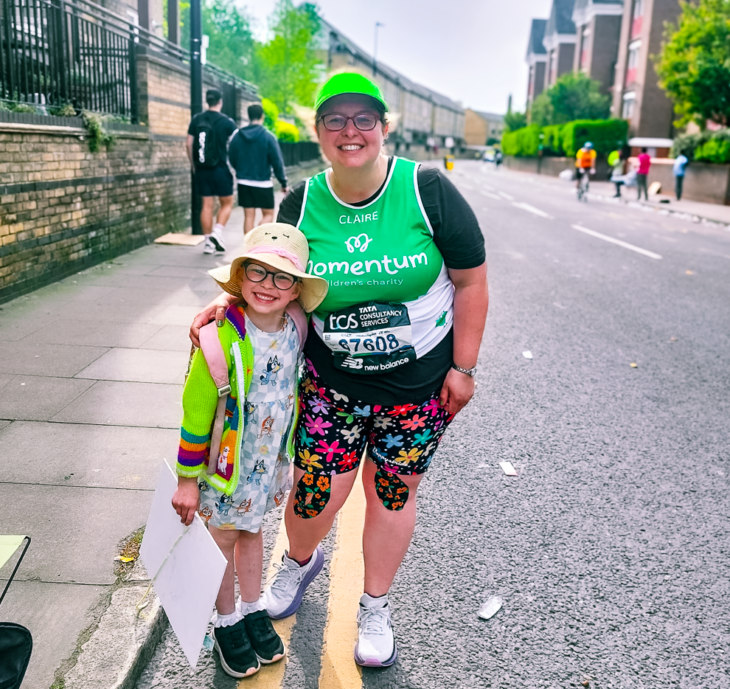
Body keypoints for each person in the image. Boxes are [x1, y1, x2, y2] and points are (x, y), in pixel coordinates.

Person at [189, 72, 488, 669]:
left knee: (393, 492)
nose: (350, 132)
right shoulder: (302, 201)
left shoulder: (427, 188)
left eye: (363, 120)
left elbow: (471, 280)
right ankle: (299, 563)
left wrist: (464, 367)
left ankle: (374, 605)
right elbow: (272, 272)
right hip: (331, 384)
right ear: (319, 131)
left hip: (419, 384)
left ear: (383, 127)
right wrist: (230, 307)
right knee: (316, 492)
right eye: (335, 120)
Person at [172, 224, 328, 678]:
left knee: (253, 531)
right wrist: (185, 480)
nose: (268, 285)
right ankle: (225, 620)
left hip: (267, 464)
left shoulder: (297, 326)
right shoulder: (219, 339)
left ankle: (252, 606)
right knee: (222, 536)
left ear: (296, 290)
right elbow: (196, 410)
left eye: (282, 277)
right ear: (239, 277)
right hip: (226, 467)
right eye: (257, 272)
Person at [186, 89, 237, 254]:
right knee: (227, 203)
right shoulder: (227, 122)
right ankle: (218, 231)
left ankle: (208, 243)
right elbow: (237, 146)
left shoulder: (197, 119)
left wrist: (194, 165)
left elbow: (188, 144)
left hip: (202, 169)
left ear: (207, 101)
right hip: (221, 169)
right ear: (220, 101)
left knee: (206, 205)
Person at [228, 103, 288, 235]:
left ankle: (249, 248)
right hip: (263, 183)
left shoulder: (237, 135)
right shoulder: (268, 136)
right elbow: (277, 161)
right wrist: (283, 182)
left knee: (248, 216)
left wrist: (240, 170)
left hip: (243, 182)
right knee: (268, 215)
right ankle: (257, 241)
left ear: (248, 116)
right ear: (262, 116)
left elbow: (231, 156)